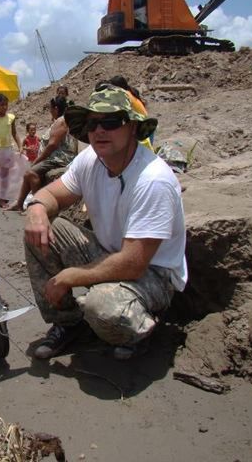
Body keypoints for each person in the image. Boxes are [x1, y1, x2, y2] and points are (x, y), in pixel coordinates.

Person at [23, 84, 187, 361]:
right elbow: (52, 193)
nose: (100, 130)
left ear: (132, 127)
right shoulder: (91, 159)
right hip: (109, 252)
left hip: (153, 274)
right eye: (93, 123)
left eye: (111, 122)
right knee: (38, 230)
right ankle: (68, 323)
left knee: (101, 307)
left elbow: (133, 263)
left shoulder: (152, 179)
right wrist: (37, 208)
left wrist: (70, 276)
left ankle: (141, 329)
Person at [5, 96, 77, 211]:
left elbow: (52, 145)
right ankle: (19, 203)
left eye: (51, 108)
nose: (50, 111)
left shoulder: (61, 121)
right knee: (29, 173)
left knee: (31, 173)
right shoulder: (64, 120)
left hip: (59, 159)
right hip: (59, 158)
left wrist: (38, 160)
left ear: (56, 108)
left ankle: (37, 205)